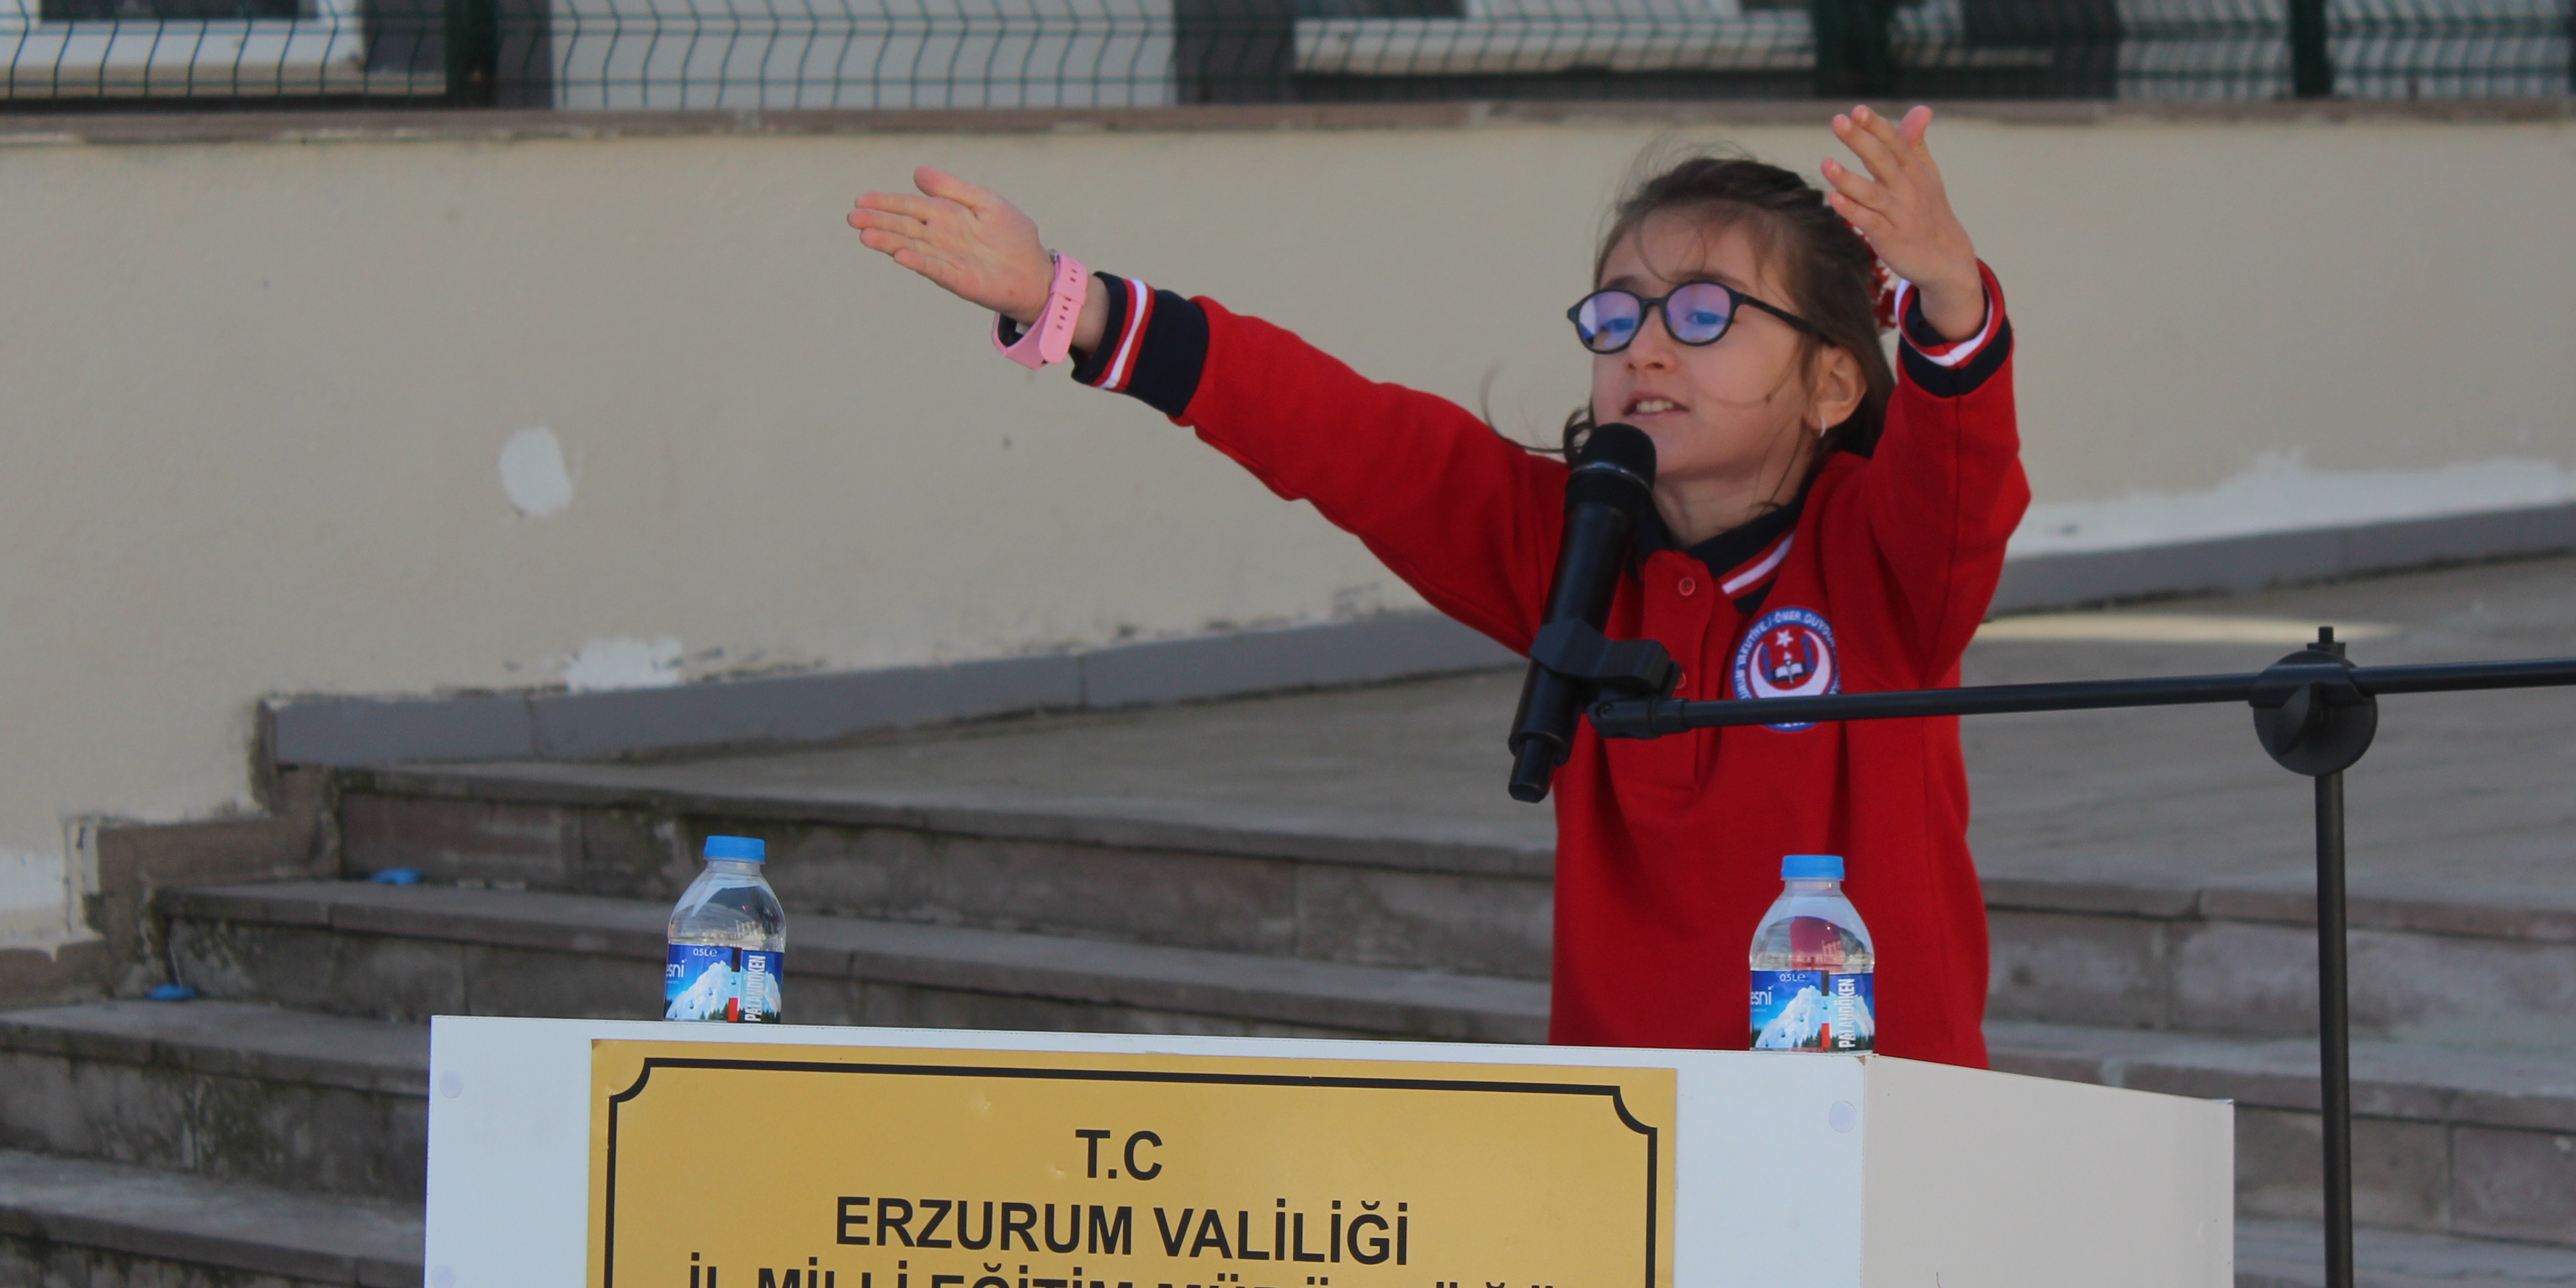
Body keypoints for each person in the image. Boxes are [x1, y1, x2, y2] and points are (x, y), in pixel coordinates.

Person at [845, 108, 2027, 1065]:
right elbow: (1341, 432)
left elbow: (1962, 472)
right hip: (1641, 1144)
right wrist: (1069, 302)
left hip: (1882, 1135)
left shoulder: (1886, 560)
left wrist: (1950, 295)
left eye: (1706, 312)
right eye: (1619, 313)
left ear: (1832, 385)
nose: (1647, 346)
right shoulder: (1570, 545)